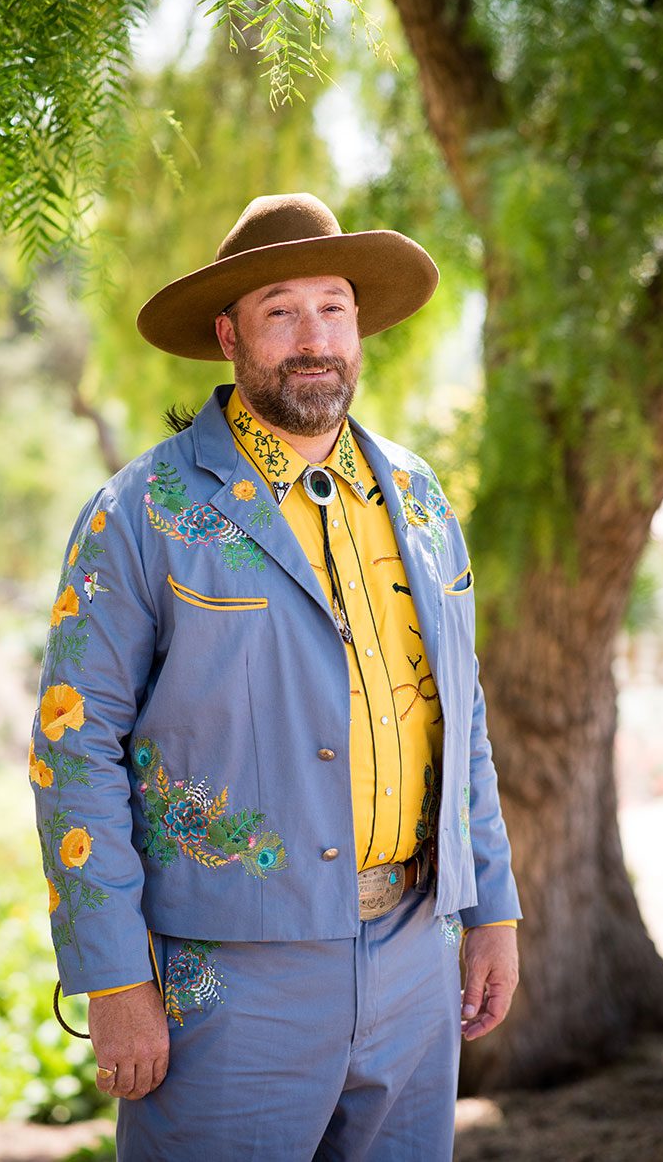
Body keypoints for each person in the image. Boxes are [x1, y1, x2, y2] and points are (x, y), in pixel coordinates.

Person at [29, 192, 521, 1161]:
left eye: (333, 307)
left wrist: (492, 905)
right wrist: (113, 976)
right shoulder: (140, 513)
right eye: (279, 311)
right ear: (227, 335)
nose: (314, 338)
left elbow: (457, 717)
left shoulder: (419, 502)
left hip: (415, 958)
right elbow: (70, 746)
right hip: (223, 976)